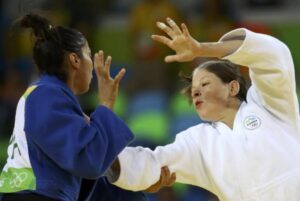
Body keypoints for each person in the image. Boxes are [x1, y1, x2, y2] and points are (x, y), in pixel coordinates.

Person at [109, 18, 300, 201]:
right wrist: (94, 144)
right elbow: (150, 162)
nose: (196, 92)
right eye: (192, 91)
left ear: (232, 88)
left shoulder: (268, 105)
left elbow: (273, 54)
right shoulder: (197, 142)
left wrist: (202, 49)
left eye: (205, 84)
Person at [0, 13, 147, 201]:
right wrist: (106, 105)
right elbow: (89, 161)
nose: (92, 66)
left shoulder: (48, 96)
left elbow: (86, 173)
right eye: (88, 54)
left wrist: (135, 186)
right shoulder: (45, 95)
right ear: (74, 60)